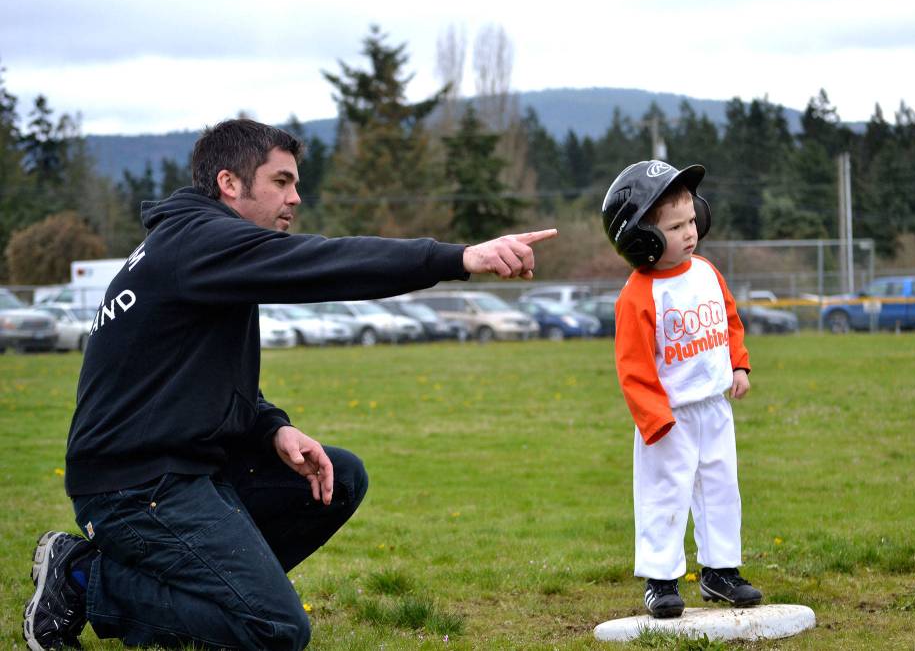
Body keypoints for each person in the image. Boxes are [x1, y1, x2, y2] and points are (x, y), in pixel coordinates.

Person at [24, 118, 557, 651]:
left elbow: (188, 383)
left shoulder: (198, 247)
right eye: (281, 182)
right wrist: (457, 257)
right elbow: (324, 262)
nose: (295, 197)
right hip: (135, 489)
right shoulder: (199, 243)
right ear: (230, 184)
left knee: (337, 478)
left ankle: (208, 604)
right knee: (275, 630)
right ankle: (83, 578)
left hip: (181, 467)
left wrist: (272, 427)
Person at [601, 159, 762, 619]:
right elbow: (632, 365)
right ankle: (661, 580)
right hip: (668, 417)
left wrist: (738, 365)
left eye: (692, 220)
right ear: (641, 239)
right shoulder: (639, 294)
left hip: (713, 407)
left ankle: (720, 572)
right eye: (675, 227)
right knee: (664, 494)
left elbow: (729, 321)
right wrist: (654, 418)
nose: (690, 232)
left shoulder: (707, 272)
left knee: (721, 487)